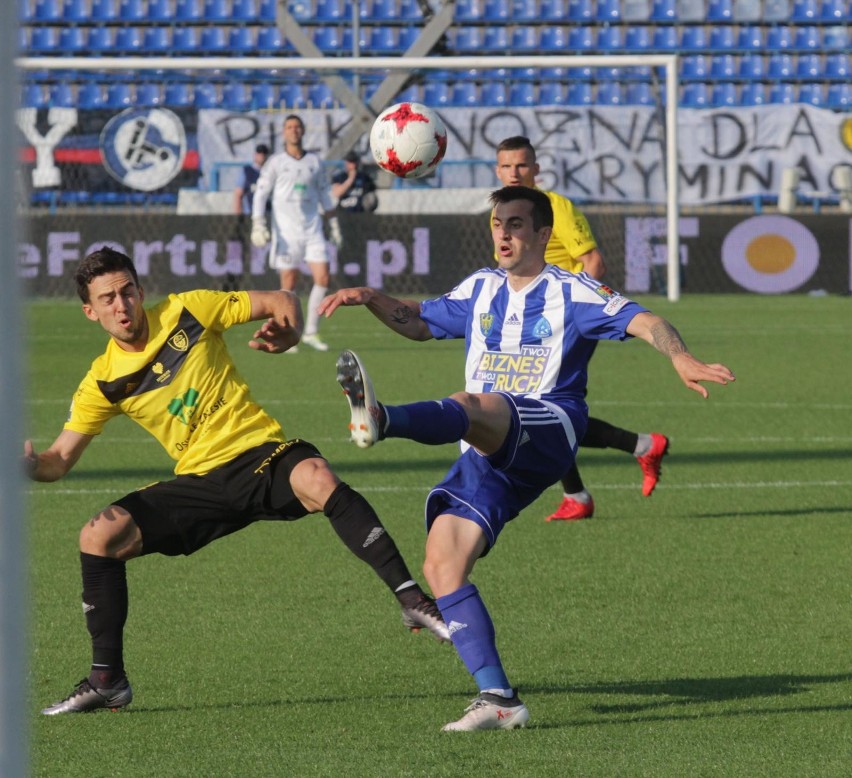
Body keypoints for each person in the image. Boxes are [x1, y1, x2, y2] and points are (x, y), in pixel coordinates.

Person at [318, 186, 734, 731]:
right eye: (497, 224)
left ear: (543, 234)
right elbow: (420, 322)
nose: (504, 234)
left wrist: (680, 356)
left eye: (516, 224)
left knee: (470, 404)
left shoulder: (574, 291)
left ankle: (384, 419)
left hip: (549, 426)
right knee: (442, 564)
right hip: (487, 450)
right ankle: (498, 697)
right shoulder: (481, 288)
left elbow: (645, 319)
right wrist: (372, 298)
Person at [25, 247, 449, 716]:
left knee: (316, 475)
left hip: (261, 456)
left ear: (141, 291)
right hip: (201, 482)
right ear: (90, 312)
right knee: (97, 535)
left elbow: (282, 297)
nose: (121, 306)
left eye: (128, 292)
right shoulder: (102, 381)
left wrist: (287, 331)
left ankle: (411, 599)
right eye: (107, 299)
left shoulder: (187, 309)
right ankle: (107, 680)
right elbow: (59, 459)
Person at [494, 135, 669, 521]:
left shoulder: (555, 208)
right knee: (540, 408)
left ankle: (582, 491)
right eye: (507, 166)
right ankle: (638, 449)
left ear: (536, 169)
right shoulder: (501, 212)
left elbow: (593, 263)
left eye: (522, 165)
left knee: (538, 407)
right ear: (497, 170)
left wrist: (569, 313)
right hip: (531, 320)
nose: (514, 173)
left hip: (567, 317)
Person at [251, 114, 341, 353]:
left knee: (323, 278)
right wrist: (258, 223)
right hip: (286, 232)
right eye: (290, 127)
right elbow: (260, 193)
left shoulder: (314, 161)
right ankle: (287, 333)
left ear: (302, 131)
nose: (294, 131)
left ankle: (311, 331)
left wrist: (333, 225)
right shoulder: (276, 162)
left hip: (312, 229)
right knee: (289, 284)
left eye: (298, 127)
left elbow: (324, 193)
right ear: (284, 132)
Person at [233, 143, 270, 216]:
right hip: (251, 215)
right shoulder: (247, 171)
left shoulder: (270, 173)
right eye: (259, 153)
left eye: (264, 153)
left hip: (268, 215)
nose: (262, 155)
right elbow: (238, 194)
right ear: (255, 154)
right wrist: (238, 217)